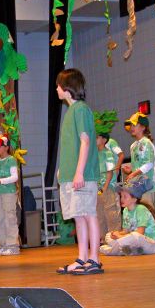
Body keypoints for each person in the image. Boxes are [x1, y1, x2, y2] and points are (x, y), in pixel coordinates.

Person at [55, 68, 103, 275]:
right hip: (70, 176)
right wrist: (63, 171)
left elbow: (85, 141)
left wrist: (79, 172)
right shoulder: (71, 111)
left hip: (83, 175)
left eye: (58, 85)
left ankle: (94, 258)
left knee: (88, 214)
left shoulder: (81, 109)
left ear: (67, 88)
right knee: (78, 216)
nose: (56, 89)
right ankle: (82, 257)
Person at [100, 176, 155, 255]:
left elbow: (140, 233)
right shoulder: (126, 210)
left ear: (134, 199)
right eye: (121, 196)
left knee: (135, 236)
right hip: (137, 244)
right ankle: (128, 250)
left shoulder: (141, 209)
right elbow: (125, 231)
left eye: (125, 197)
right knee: (108, 235)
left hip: (153, 244)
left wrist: (119, 236)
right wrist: (116, 234)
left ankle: (115, 250)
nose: (121, 199)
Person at [0, 134, 20, 255]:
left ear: (6, 147)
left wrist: (1, 181)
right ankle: (3, 244)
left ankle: (13, 246)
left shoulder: (11, 160)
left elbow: (15, 177)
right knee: (1, 219)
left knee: (10, 218)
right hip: (0, 194)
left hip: (9, 194)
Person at [122, 112, 155, 207]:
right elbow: (138, 166)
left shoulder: (146, 143)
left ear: (143, 127)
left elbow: (149, 164)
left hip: (146, 185)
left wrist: (133, 173)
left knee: (147, 212)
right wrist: (130, 171)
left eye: (135, 124)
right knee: (138, 212)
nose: (132, 127)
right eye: (131, 125)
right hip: (136, 185)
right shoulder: (133, 146)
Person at [96, 132, 121, 240]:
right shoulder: (95, 154)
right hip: (98, 188)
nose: (95, 139)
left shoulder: (108, 153)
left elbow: (110, 172)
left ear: (104, 140)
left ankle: (114, 238)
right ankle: (104, 239)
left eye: (97, 137)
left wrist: (105, 186)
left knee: (111, 214)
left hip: (107, 187)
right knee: (100, 214)